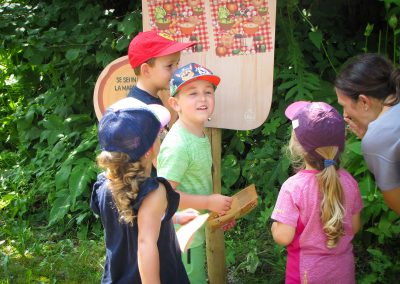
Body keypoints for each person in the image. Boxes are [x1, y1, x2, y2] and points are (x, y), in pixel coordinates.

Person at [90, 97, 197, 284]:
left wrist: (174, 217)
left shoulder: (104, 186)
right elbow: (145, 244)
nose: (161, 136)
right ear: (150, 149)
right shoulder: (154, 192)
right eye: (159, 134)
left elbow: (131, 221)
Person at [157, 63, 233, 283]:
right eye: (193, 93)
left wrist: (216, 211)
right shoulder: (178, 145)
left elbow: (194, 187)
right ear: (174, 103)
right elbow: (163, 197)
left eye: (208, 92)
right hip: (180, 237)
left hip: (192, 233)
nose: (203, 99)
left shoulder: (198, 135)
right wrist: (209, 202)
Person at [271, 101, 363, 283]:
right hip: (343, 272)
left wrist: (275, 227)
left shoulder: (294, 187)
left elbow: (283, 237)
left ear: (297, 146)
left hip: (306, 274)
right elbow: (354, 226)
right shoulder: (349, 181)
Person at [334, 53, 400, 215]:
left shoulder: (378, 137)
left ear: (364, 101)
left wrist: (370, 140)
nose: (345, 115)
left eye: (344, 105)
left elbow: (396, 203)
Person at [127, 30, 194, 107]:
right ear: (146, 70)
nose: (177, 71)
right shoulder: (138, 109)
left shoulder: (149, 99)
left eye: (177, 63)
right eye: (169, 66)